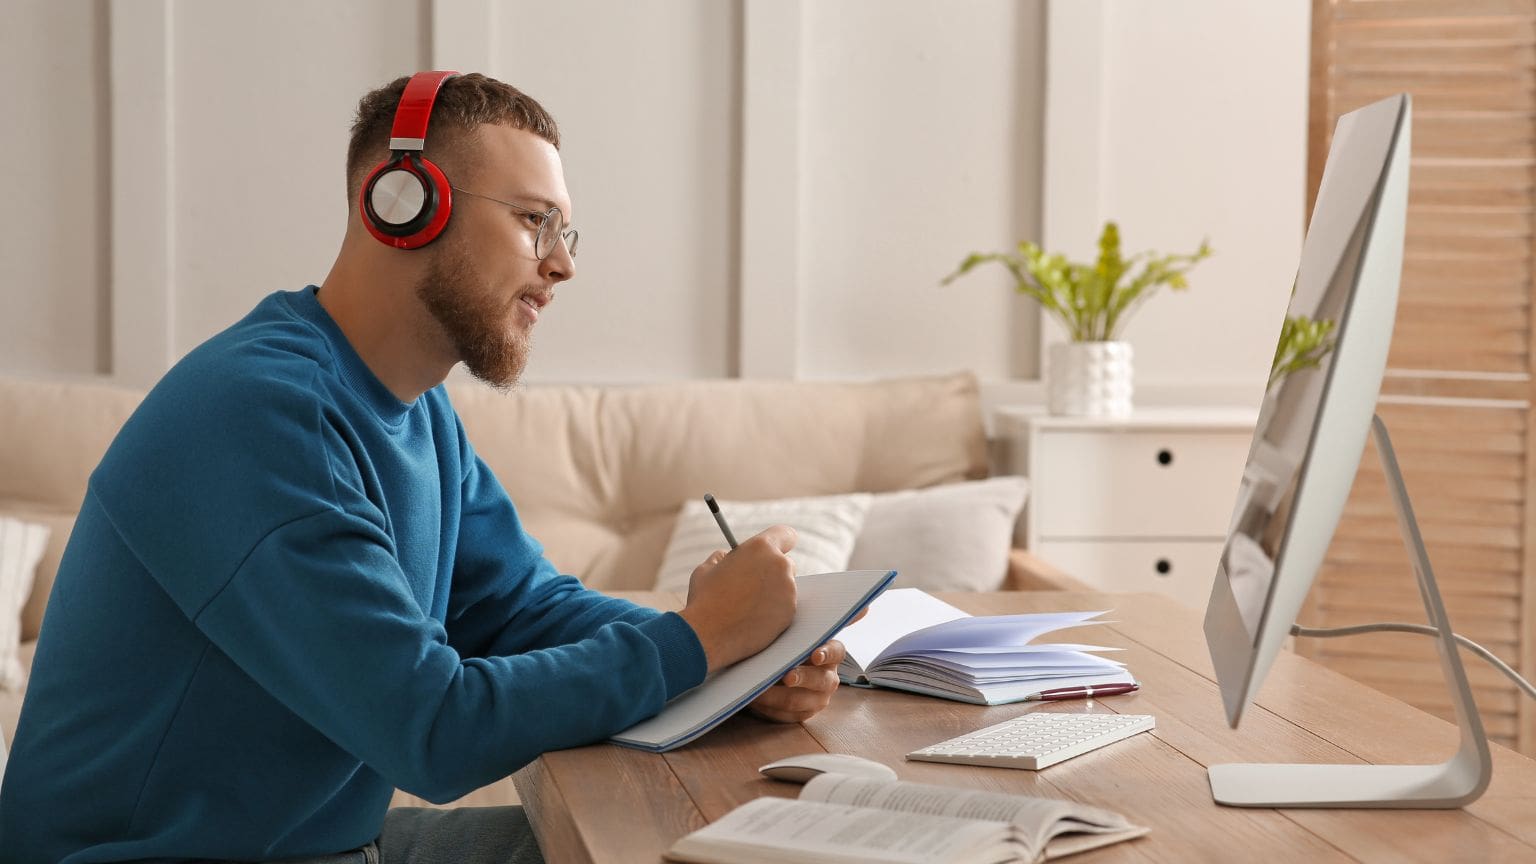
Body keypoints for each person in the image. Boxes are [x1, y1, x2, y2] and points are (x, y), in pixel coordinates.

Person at [0, 71, 851, 864]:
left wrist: (738, 665)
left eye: (565, 230)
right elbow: (434, 730)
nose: (563, 264)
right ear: (403, 204)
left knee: (687, 843)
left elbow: (520, 608)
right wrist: (696, 644)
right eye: (533, 221)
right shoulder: (258, 413)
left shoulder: (416, 409)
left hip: (317, 842)